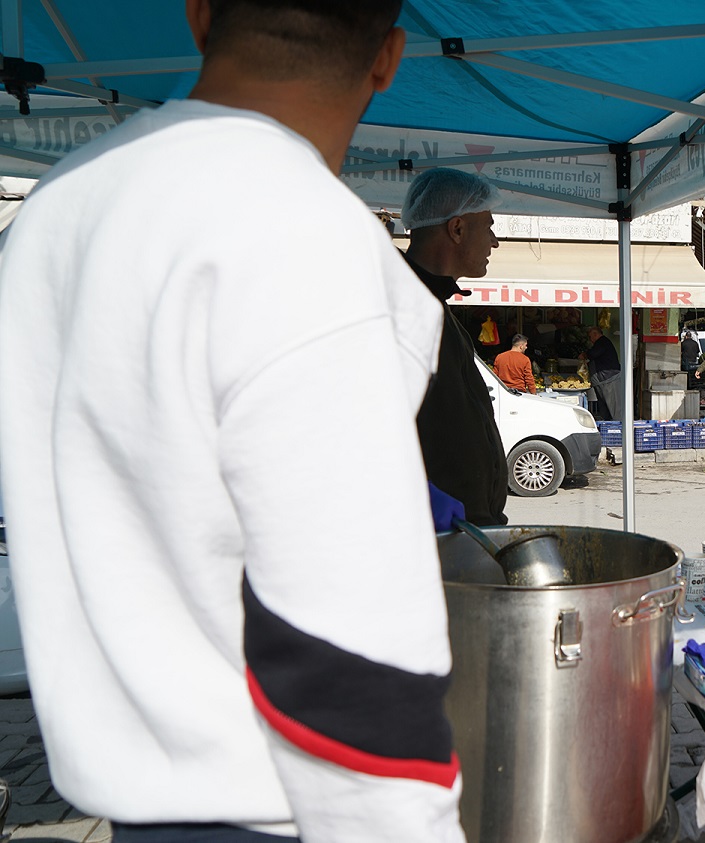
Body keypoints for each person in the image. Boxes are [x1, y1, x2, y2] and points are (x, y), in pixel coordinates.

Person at [0, 2, 465, 841]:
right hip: (278, 799)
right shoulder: (307, 235)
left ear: (200, 15)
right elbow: (354, 657)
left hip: (133, 796)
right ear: (389, 57)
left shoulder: (56, 206)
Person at [402, 167, 509, 526]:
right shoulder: (398, 306)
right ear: (458, 228)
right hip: (431, 538)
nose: (494, 241)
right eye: (489, 226)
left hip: (468, 530)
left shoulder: (434, 304)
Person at [580, 326, 623, 419]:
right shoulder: (601, 343)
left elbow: (593, 354)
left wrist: (585, 355)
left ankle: (618, 428)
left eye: (590, 337)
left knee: (614, 407)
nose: (590, 340)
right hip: (603, 380)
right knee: (605, 406)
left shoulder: (603, 342)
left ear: (595, 334)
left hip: (609, 379)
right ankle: (607, 424)